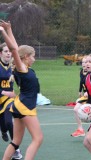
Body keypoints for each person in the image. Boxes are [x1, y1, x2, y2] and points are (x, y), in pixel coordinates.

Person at [0, 20, 43, 160]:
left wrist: (9, 29)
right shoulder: (22, 68)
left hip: (19, 104)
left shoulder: (23, 68)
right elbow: (13, 49)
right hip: (25, 106)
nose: (34, 59)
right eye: (33, 56)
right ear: (25, 57)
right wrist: (2, 32)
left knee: (16, 141)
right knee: (38, 139)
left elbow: (15, 48)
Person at [0, 42, 22, 158]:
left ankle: (16, 149)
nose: (8, 53)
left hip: (8, 100)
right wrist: (3, 92)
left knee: (9, 122)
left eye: (10, 51)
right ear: (0, 53)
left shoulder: (14, 67)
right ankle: (3, 131)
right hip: (2, 97)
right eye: (6, 51)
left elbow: (20, 82)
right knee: (3, 125)